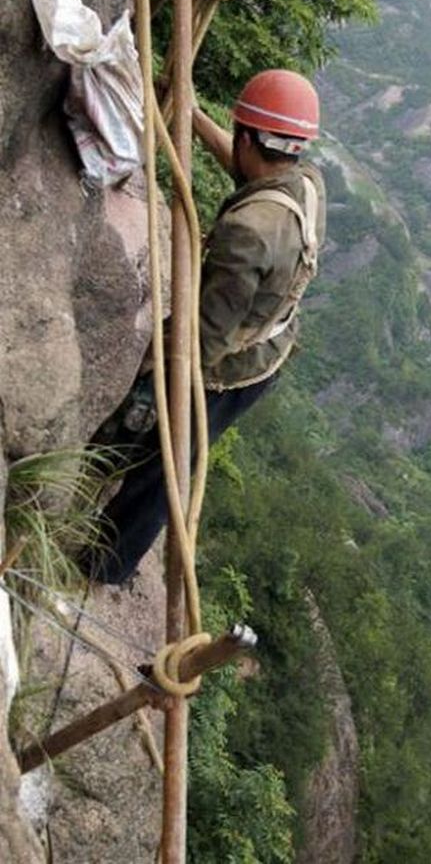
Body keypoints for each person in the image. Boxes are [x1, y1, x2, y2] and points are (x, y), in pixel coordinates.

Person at [79, 69, 326, 584]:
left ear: (248, 139)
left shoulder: (247, 233)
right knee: (163, 441)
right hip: (270, 350)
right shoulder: (304, 183)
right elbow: (249, 170)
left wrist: (159, 373)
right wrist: (189, 116)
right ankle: (99, 489)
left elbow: (206, 338)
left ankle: (104, 566)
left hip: (227, 366)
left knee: (164, 460)